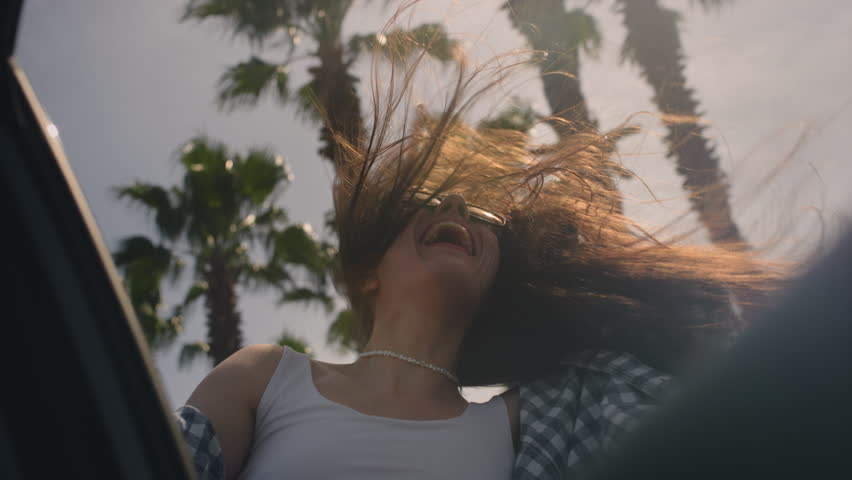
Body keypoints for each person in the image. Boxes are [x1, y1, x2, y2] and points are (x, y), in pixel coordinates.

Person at [174, 26, 784, 480]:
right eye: (426, 202)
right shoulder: (270, 376)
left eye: (483, 215)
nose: (459, 210)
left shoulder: (538, 418)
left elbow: (709, 399)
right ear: (364, 273)